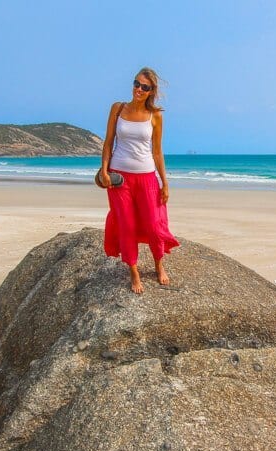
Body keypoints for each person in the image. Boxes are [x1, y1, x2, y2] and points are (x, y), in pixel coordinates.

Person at [99, 67, 179, 294]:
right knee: (127, 224)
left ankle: (158, 264)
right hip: (119, 178)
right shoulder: (117, 108)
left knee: (154, 225)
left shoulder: (156, 116)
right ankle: (134, 272)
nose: (139, 89)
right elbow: (108, 142)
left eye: (145, 87)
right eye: (137, 84)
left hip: (146, 176)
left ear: (151, 91)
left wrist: (165, 183)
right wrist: (104, 171)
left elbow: (157, 152)